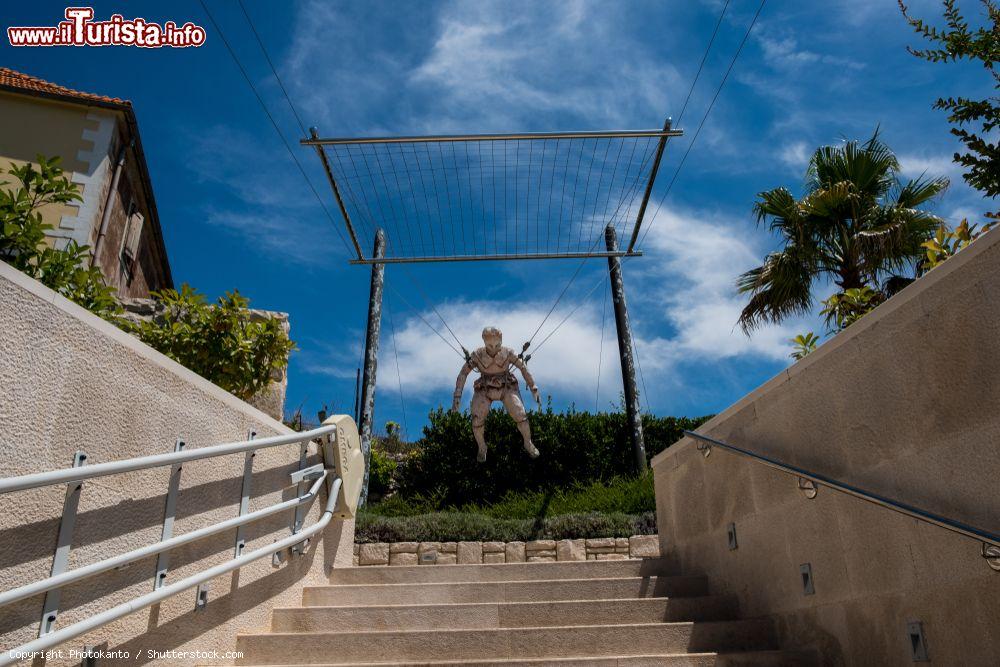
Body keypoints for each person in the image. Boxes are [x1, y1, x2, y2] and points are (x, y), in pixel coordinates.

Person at [451, 326, 541, 462]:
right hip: (485, 388)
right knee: (476, 420)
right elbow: (463, 373)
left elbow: (523, 367)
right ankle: (482, 446)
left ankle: (527, 442)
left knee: (520, 414)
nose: (493, 348)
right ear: (484, 342)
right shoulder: (477, 355)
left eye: (497, 344)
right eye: (489, 345)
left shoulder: (508, 352)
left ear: (501, 341)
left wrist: (533, 387)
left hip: (506, 386)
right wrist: (457, 396)